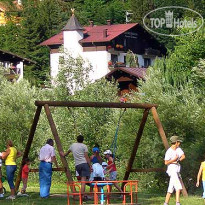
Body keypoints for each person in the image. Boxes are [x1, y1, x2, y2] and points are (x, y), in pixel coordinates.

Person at [60, 135, 92, 200]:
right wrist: (90, 165)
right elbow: (86, 157)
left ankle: (82, 194)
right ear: (83, 140)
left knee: (81, 180)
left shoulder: (73, 145)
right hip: (84, 164)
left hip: (77, 165)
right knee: (83, 180)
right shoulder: (84, 146)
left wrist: (62, 154)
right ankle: (82, 195)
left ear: (77, 139)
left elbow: (67, 153)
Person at [164, 136, 185, 205]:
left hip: (176, 170)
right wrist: (174, 160)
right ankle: (177, 203)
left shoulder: (178, 149)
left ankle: (166, 203)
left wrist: (178, 160)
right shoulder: (169, 151)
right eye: (178, 142)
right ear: (176, 142)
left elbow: (183, 156)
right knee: (178, 186)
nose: (179, 143)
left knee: (171, 187)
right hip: (171, 170)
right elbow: (166, 162)